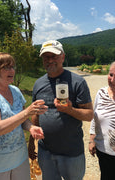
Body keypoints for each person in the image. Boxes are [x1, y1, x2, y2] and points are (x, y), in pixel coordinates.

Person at [0, 52, 48, 180]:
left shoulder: (15, 91)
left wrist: (30, 127)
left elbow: (23, 120)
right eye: (6, 67)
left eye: (12, 67)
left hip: (19, 160)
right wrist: (27, 112)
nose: (11, 70)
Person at [28, 40, 94, 180]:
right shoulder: (38, 83)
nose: (50, 60)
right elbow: (35, 115)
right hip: (45, 151)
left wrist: (70, 110)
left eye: (54, 56)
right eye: (46, 57)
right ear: (42, 60)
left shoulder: (77, 82)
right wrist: (31, 143)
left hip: (71, 153)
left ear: (63, 57)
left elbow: (89, 115)